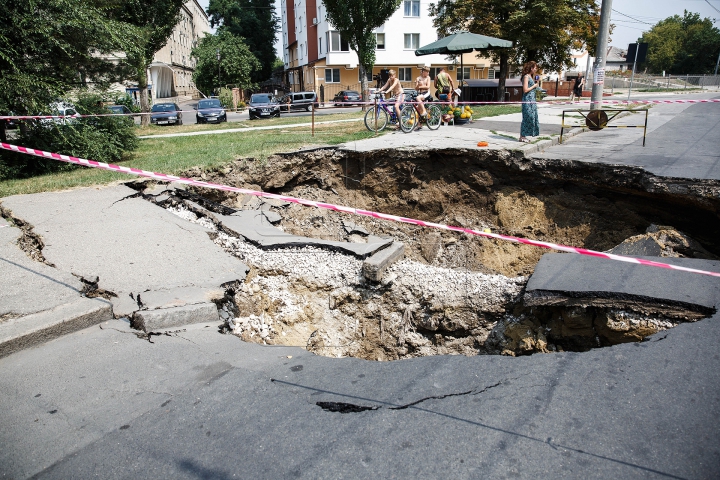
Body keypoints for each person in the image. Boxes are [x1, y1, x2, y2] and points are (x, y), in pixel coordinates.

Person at [519, 61, 540, 143]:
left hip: (532, 100)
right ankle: (522, 136)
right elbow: (525, 90)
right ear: (531, 68)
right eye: (535, 68)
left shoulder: (531, 77)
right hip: (527, 100)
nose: (536, 69)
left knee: (532, 117)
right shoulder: (526, 77)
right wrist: (534, 86)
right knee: (527, 117)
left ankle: (525, 135)